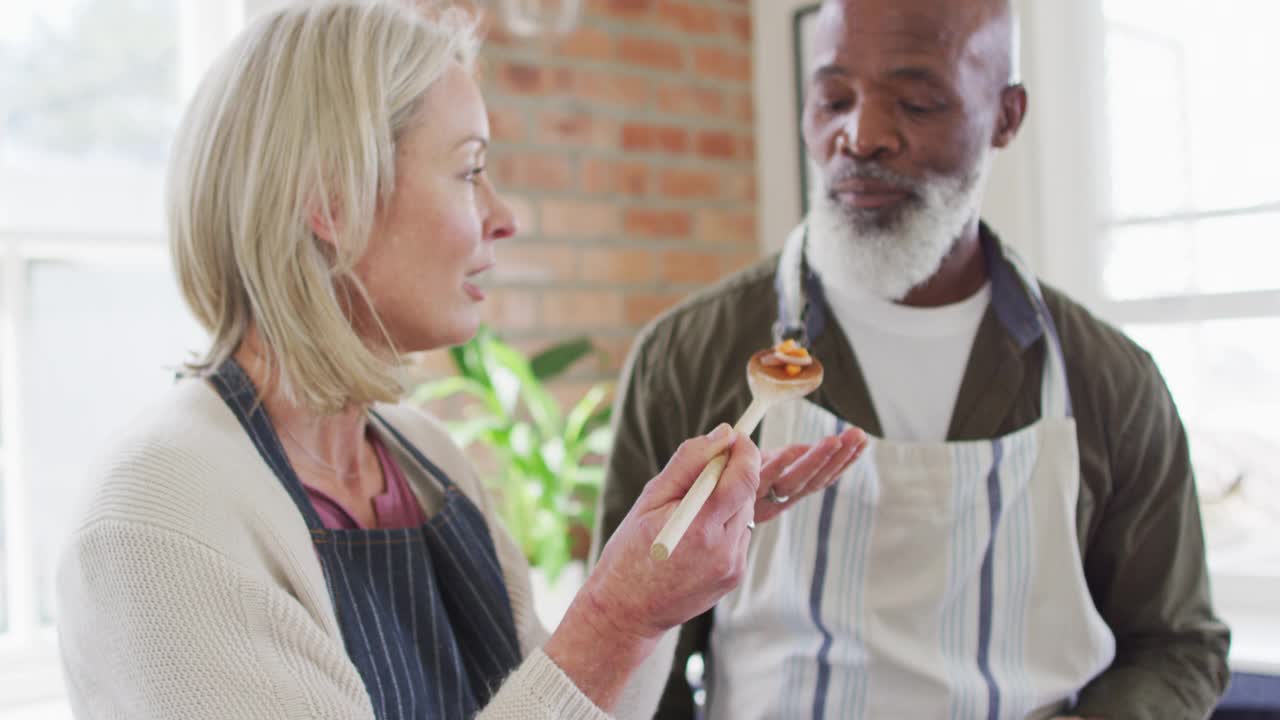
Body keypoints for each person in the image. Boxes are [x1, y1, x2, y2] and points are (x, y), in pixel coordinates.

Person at [52, 2, 856, 718]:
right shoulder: (154, 522)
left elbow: (566, 700)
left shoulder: (425, 460)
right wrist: (614, 621)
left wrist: (659, 590)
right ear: (331, 199)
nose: (504, 216)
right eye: (470, 170)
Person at [594, 0, 1231, 718]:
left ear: (1006, 116)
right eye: (833, 98)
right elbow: (637, 649)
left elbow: (1175, 645)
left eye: (919, 102)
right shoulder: (686, 359)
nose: (860, 135)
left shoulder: (1110, 382)